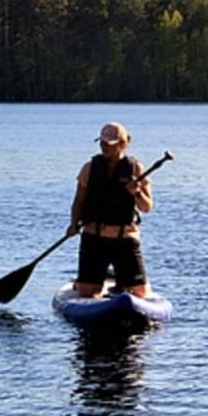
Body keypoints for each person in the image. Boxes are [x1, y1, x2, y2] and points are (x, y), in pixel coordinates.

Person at [66, 122, 154, 298]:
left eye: (110, 144)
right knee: (88, 293)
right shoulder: (89, 168)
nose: (105, 147)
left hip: (125, 239)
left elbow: (146, 207)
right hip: (94, 238)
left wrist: (136, 192)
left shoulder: (136, 169)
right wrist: (73, 224)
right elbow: (79, 201)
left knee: (140, 293)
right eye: (102, 143)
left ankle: (125, 280)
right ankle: (84, 282)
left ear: (124, 143)